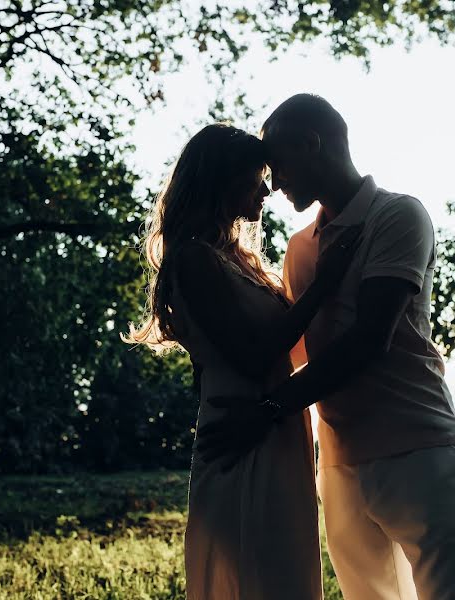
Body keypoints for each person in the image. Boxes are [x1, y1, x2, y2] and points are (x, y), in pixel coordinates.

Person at [198, 94, 455, 600]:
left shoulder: (398, 216)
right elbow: (293, 350)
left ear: (311, 144)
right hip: (339, 467)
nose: (272, 182)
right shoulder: (299, 248)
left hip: (420, 450)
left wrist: (267, 410)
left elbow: (366, 341)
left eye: (277, 164)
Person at [125, 123, 359, 600]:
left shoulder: (235, 258)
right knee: (256, 572)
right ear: (222, 180)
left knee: (282, 572)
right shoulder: (193, 259)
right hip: (240, 428)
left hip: (276, 426)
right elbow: (253, 357)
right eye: (257, 178)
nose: (267, 191)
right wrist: (322, 286)